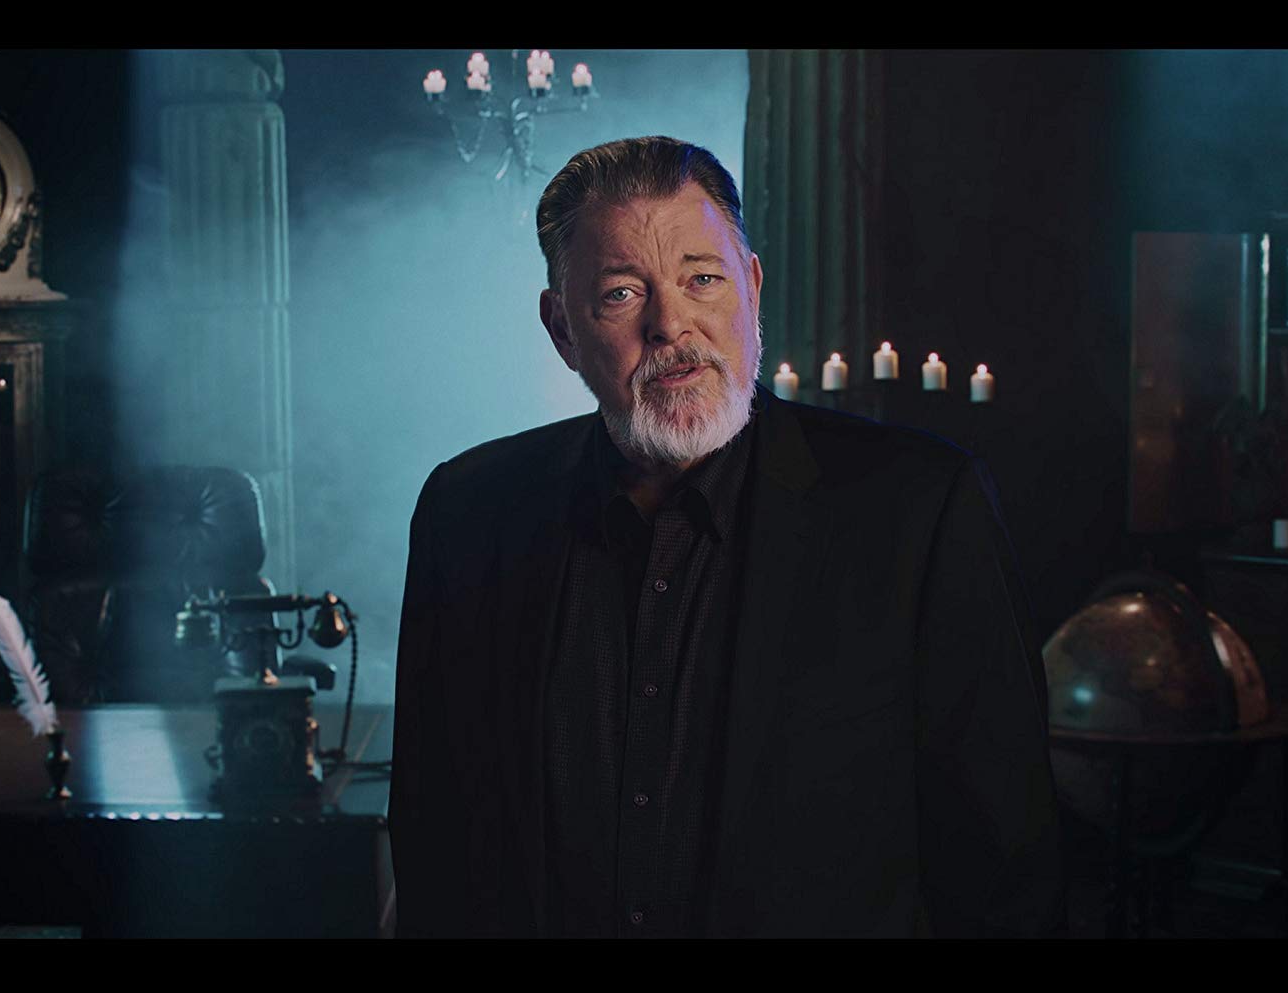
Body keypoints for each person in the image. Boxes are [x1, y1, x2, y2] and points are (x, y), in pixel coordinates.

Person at [389, 136, 1064, 938]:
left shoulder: (919, 507)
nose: (671, 324)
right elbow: (430, 836)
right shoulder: (467, 511)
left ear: (751, 286)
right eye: (620, 293)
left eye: (701, 279)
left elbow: (1005, 862)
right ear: (562, 330)